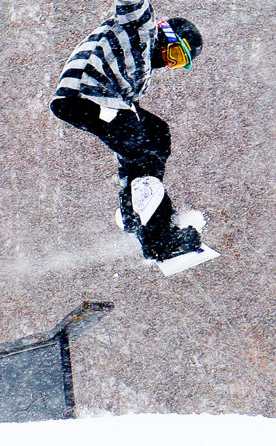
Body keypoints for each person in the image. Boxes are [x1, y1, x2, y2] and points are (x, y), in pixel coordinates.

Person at [50, 0, 204, 261]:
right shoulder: (141, 26)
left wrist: (132, 181)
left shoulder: (141, 77)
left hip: (108, 102)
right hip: (83, 94)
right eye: (174, 53)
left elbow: (127, 146)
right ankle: (157, 237)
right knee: (138, 145)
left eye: (177, 63)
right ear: (165, 35)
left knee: (156, 132)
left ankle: (143, 221)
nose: (168, 62)